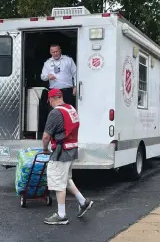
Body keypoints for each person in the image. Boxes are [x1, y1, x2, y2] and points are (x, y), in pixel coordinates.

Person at [42, 88, 93, 225]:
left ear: (52, 99)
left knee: (58, 183)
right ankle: (83, 202)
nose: (50, 103)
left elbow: (46, 136)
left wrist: (45, 149)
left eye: (50, 101)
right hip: (71, 149)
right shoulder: (71, 109)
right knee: (66, 179)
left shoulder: (55, 113)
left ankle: (61, 215)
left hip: (60, 151)